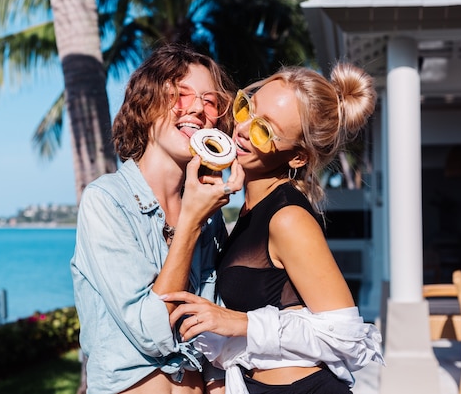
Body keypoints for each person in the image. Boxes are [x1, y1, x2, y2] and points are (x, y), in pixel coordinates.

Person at [161, 63, 385, 394]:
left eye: (264, 130)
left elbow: (347, 335)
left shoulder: (287, 218)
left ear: (297, 157)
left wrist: (239, 322)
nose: (242, 129)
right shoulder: (251, 209)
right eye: (246, 108)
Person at [70, 43, 244, 394]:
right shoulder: (106, 201)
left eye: (210, 101)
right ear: (146, 104)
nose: (197, 109)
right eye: (181, 95)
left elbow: (214, 340)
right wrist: (191, 221)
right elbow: (152, 331)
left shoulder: (208, 213)